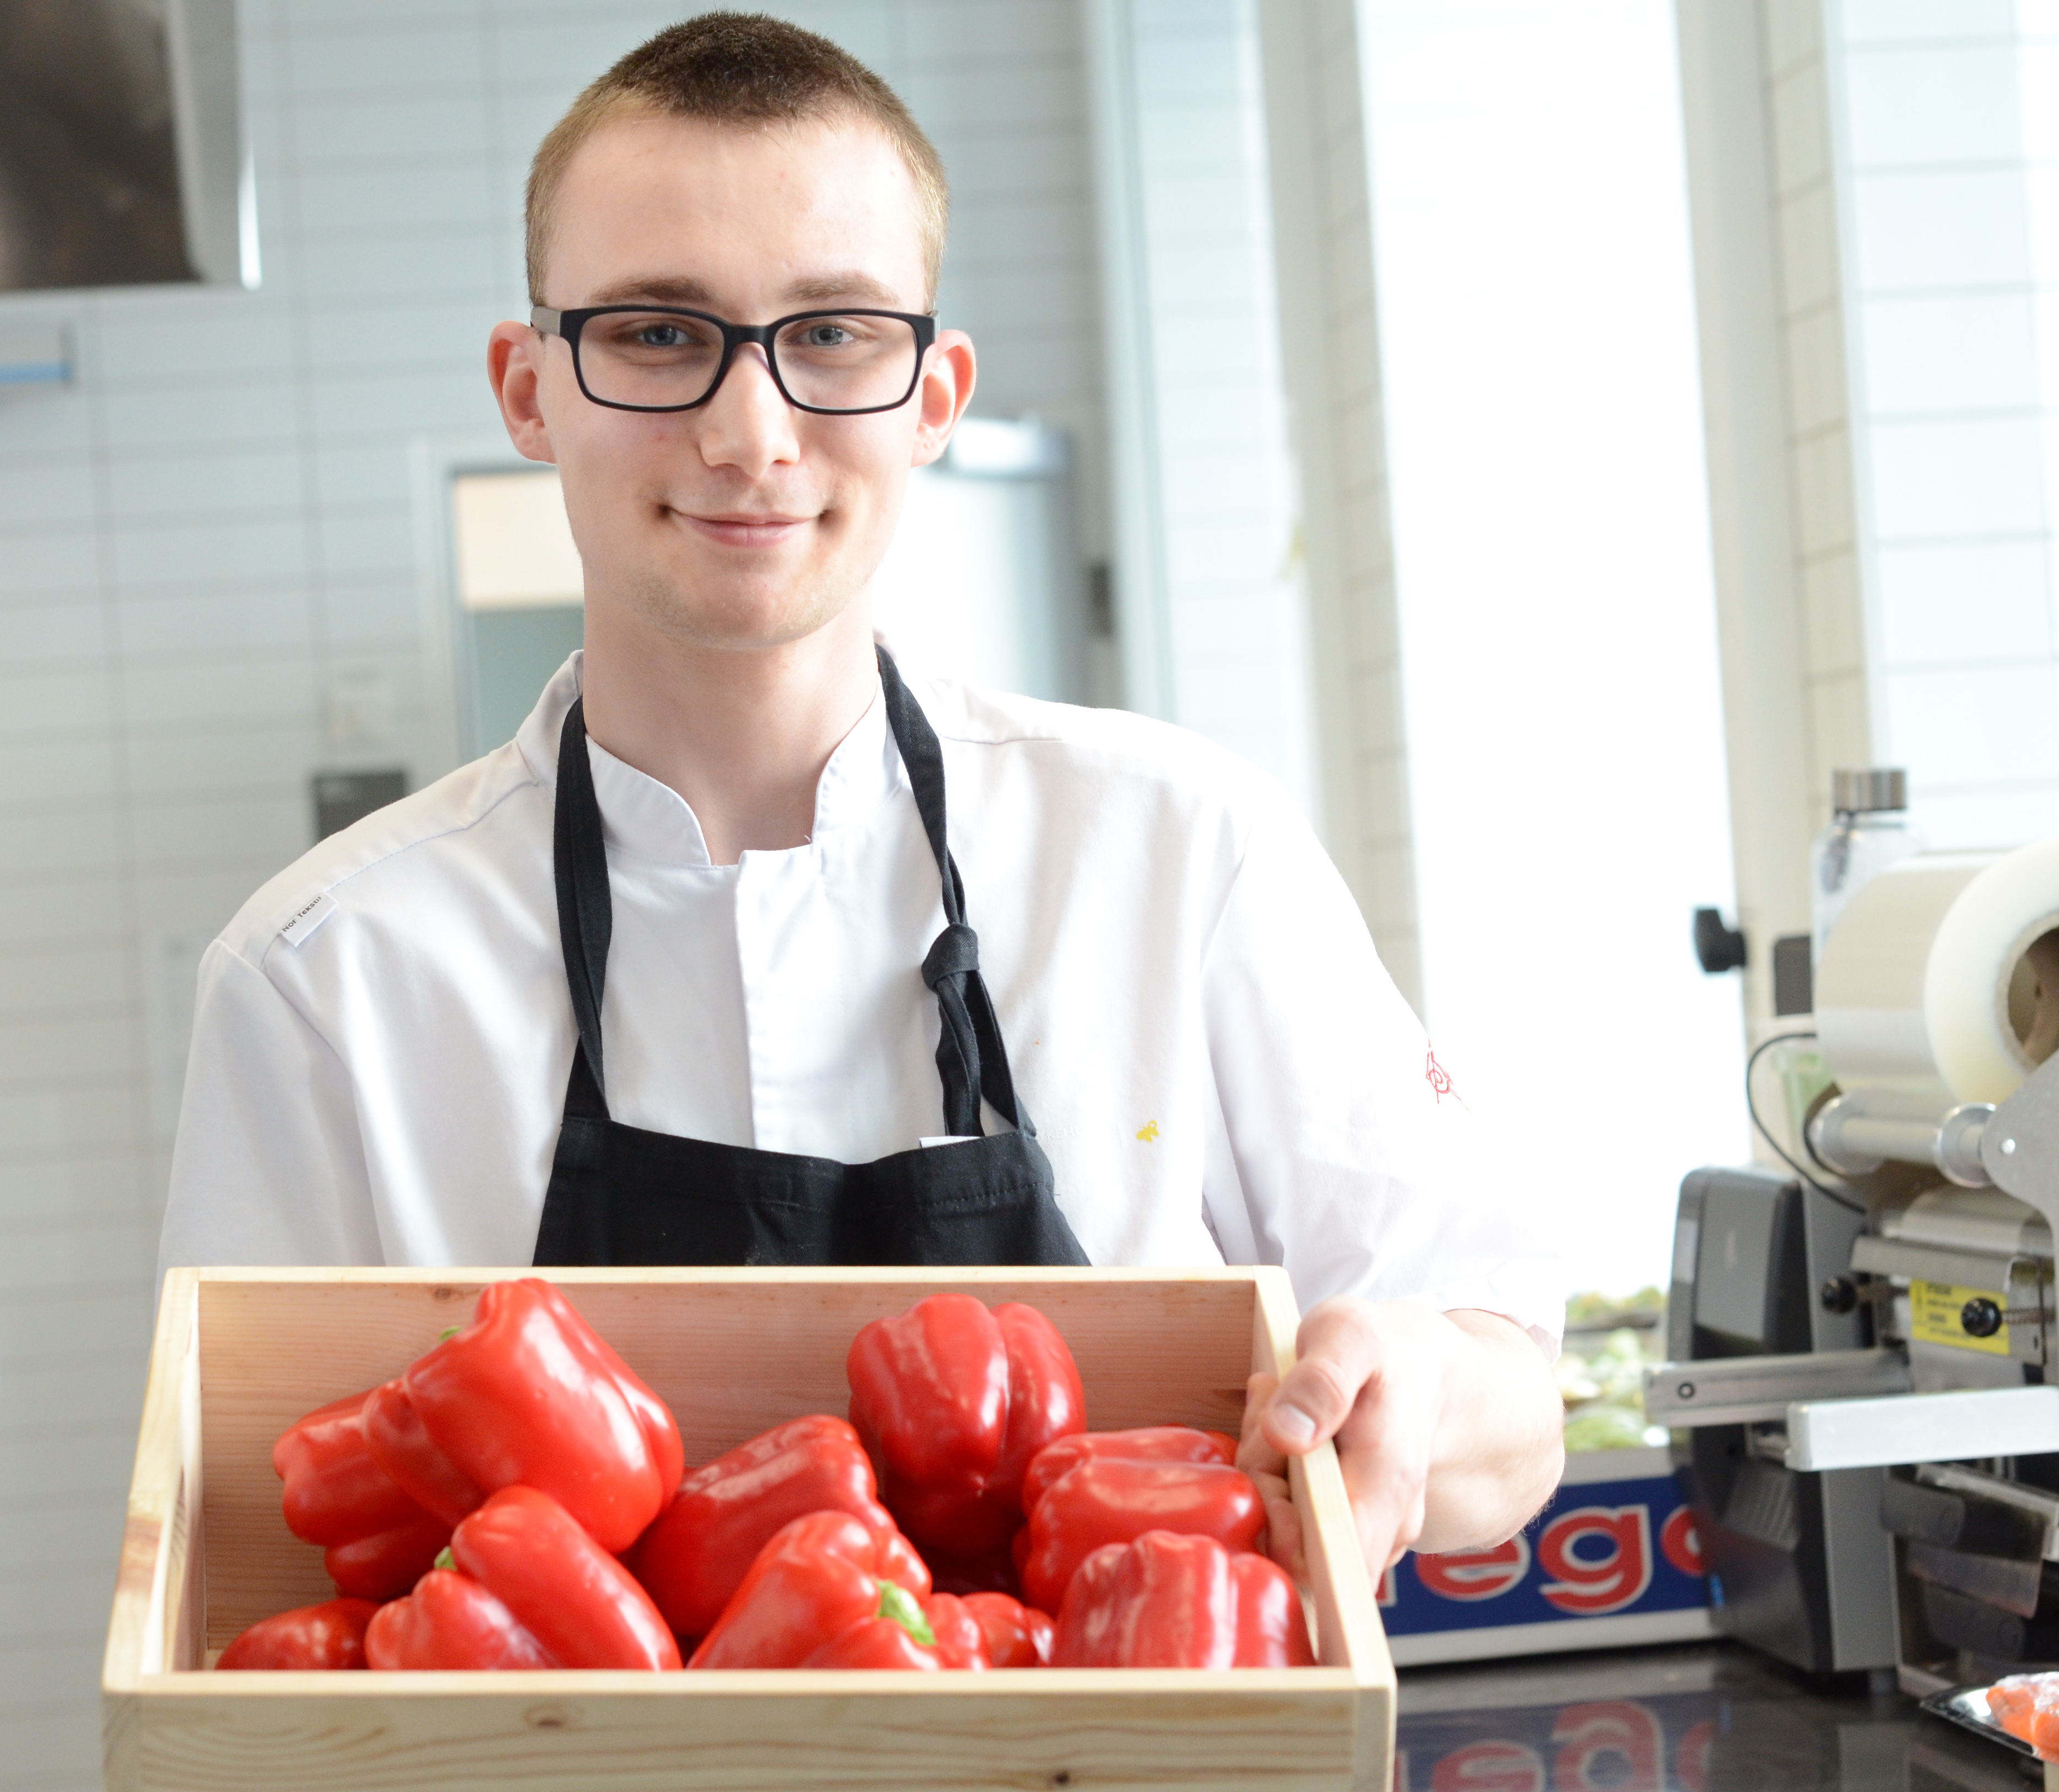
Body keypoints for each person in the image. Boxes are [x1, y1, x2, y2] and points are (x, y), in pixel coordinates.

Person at [160, 12, 1563, 1573]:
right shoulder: (322, 981)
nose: (749, 430)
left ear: (936, 393)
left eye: (831, 334)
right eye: (654, 330)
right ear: (527, 390)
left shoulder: (1188, 853)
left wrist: (1418, 1382)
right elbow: (253, 1568)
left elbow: (1509, 1423)